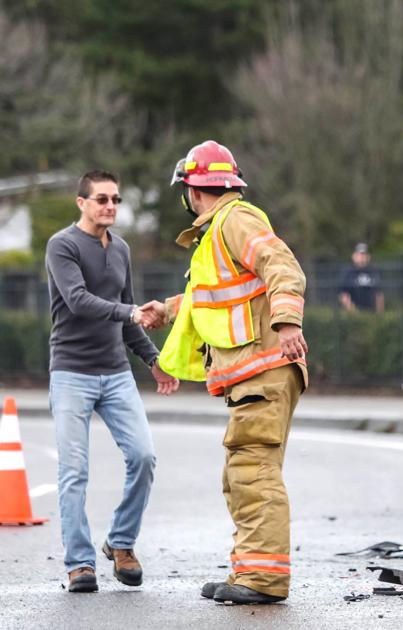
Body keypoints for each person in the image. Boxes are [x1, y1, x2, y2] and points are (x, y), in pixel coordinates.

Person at [139, 140, 308, 605]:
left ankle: (263, 579)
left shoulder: (235, 220)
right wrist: (168, 309)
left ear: (191, 190)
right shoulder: (217, 231)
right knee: (241, 474)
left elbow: (283, 267)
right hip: (253, 373)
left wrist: (288, 321)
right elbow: (211, 296)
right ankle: (249, 570)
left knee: (253, 472)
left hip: (264, 368)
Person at [44, 170, 179, 594]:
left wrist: (154, 360)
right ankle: (80, 563)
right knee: (74, 472)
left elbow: (125, 315)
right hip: (71, 373)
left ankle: (120, 543)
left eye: (116, 200)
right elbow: (79, 300)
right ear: (81, 202)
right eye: (102, 199)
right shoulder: (62, 245)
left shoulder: (120, 249)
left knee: (143, 457)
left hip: (116, 374)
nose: (110, 206)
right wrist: (131, 312)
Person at [337, 242, 384, 312]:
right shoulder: (347, 272)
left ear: (368, 257)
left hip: (372, 314)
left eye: (364, 255)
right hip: (353, 314)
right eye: (359, 255)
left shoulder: (374, 271)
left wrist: (379, 316)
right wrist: (355, 314)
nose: (362, 257)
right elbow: (343, 295)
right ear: (353, 256)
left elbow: (379, 295)